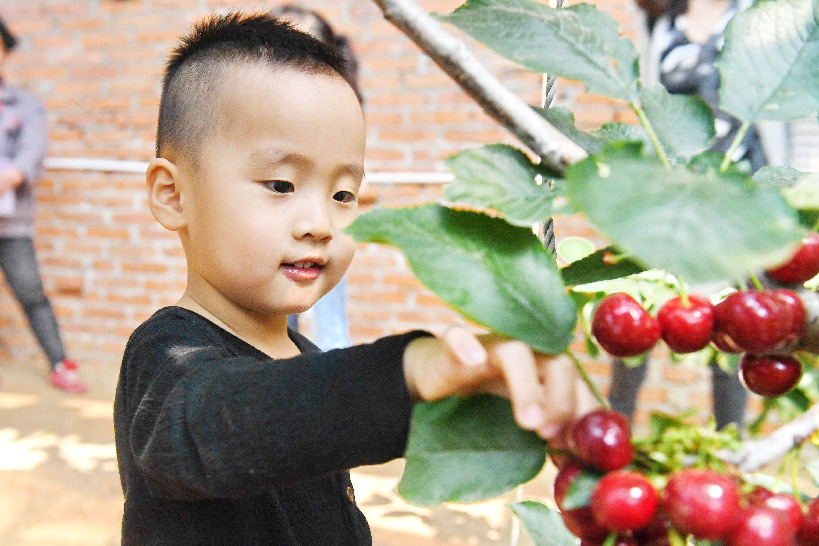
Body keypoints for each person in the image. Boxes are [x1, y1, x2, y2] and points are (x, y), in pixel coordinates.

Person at [113, 12, 582, 544]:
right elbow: (216, 426)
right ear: (173, 195)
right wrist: (408, 370)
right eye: (280, 184)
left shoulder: (310, 362)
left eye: (343, 195)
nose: (320, 225)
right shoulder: (165, 357)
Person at [609, 0, 788, 430]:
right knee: (642, 314)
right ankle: (615, 432)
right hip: (673, 201)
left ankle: (731, 442)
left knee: (739, 325)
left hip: (746, 200)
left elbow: (782, 109)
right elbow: (651, 108)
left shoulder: (756, 15)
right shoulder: (659, 21)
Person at [0, 17, 86, 394]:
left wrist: (11, 174)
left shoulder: (24, 105)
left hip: (10, 224)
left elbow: (27, 161)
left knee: (32, 294)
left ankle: (59, 362)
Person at [271, 4, 363, 351]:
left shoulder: (339, 107)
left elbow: (359, 182)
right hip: (278, 230)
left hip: (329, 232)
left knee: (330, 318)